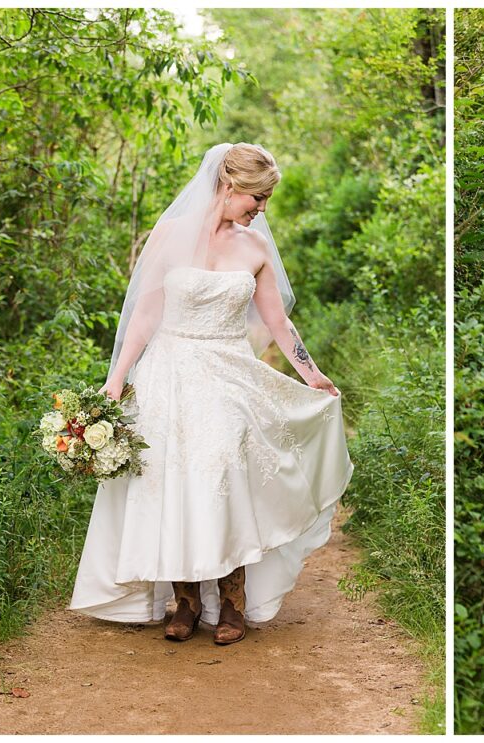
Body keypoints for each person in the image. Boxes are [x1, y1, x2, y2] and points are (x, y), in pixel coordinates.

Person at [69, 143, 352, 645]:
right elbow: (147, 314)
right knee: (170, 475)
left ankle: (233, 601)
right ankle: (185, 601)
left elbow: (277, 321)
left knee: (223, 468)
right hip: (169, 372)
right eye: (257, 197)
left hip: (227, 371)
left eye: (265, 200)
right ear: (229, 185)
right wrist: (117, 377)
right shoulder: (172, 234)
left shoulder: (255, 248)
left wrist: (312, 374)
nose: (262, 208)